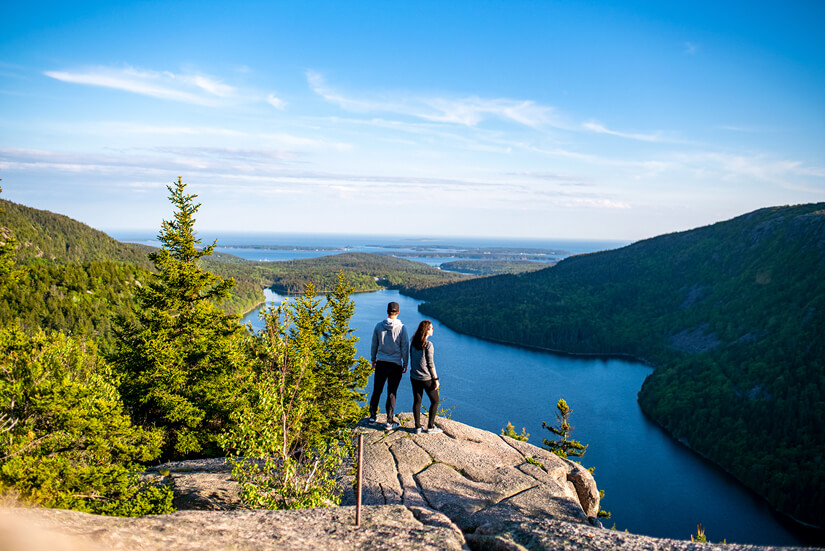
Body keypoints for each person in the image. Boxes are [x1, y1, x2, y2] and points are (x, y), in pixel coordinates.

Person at [369, 301, 409, 430]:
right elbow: (405, 347)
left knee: (377, 390)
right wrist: (405, 363)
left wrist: (373, 359)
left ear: (387, 311)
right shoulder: (402, 328)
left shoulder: (378, 326)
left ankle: (372, 417)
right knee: (391, 392)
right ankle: (389, 421)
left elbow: (374, 344)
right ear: (398, 312)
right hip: (395, 364)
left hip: (381, 363)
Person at [409, 320, 442, 434]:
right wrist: (436, 379)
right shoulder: (428, 344)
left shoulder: (413, 342)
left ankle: (417, 427)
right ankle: (431, 427)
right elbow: (430, 364)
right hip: (426, 378)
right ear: (426, 330)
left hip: (414, 377)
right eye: (431, 328)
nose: (433, 329)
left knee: (417, 401)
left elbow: (412, 359)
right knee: (435, 401)